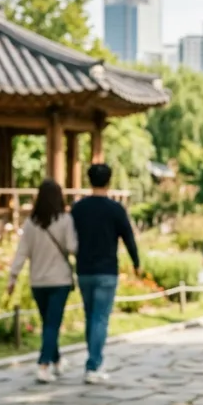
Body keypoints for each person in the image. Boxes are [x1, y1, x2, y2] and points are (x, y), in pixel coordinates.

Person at [71, 164, 140, 384]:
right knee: (100, 318)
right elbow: (128, 238)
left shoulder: (78, 208)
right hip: (107, 270)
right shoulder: (115, 209)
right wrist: (137, 263)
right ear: (109, 181)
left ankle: (93, 360)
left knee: (90, 316)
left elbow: (69, 237)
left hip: (84, 269)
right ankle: (93, 365)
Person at [7, 179, 77, 384]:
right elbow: (73, 247)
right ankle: (43, 363)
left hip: (37, 281)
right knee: (52, 324)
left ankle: (57, 361)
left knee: (49, 323)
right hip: (60, 280)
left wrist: (12, 277)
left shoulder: (31, 223)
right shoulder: (65, 220)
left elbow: (22, 252)